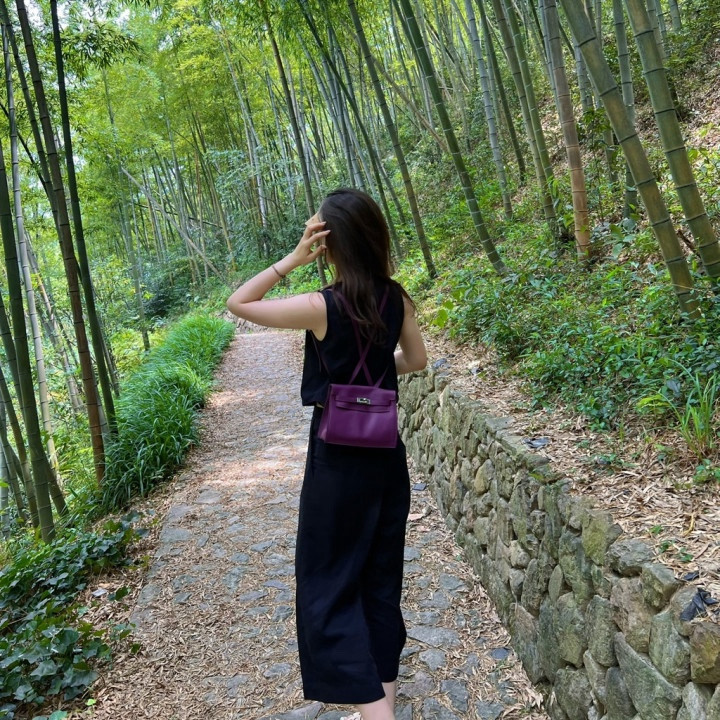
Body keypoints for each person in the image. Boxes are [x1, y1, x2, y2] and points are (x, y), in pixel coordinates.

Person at [226, 188, 427, 720]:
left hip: (337, 464)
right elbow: (416, 360)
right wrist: (375, 376)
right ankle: (381, 701)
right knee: (380, 581)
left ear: (330, 245)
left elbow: (239, 303)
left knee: (329, 585)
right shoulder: (397, 298)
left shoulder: (322, 306)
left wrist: (292, 260)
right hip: (386, 456)